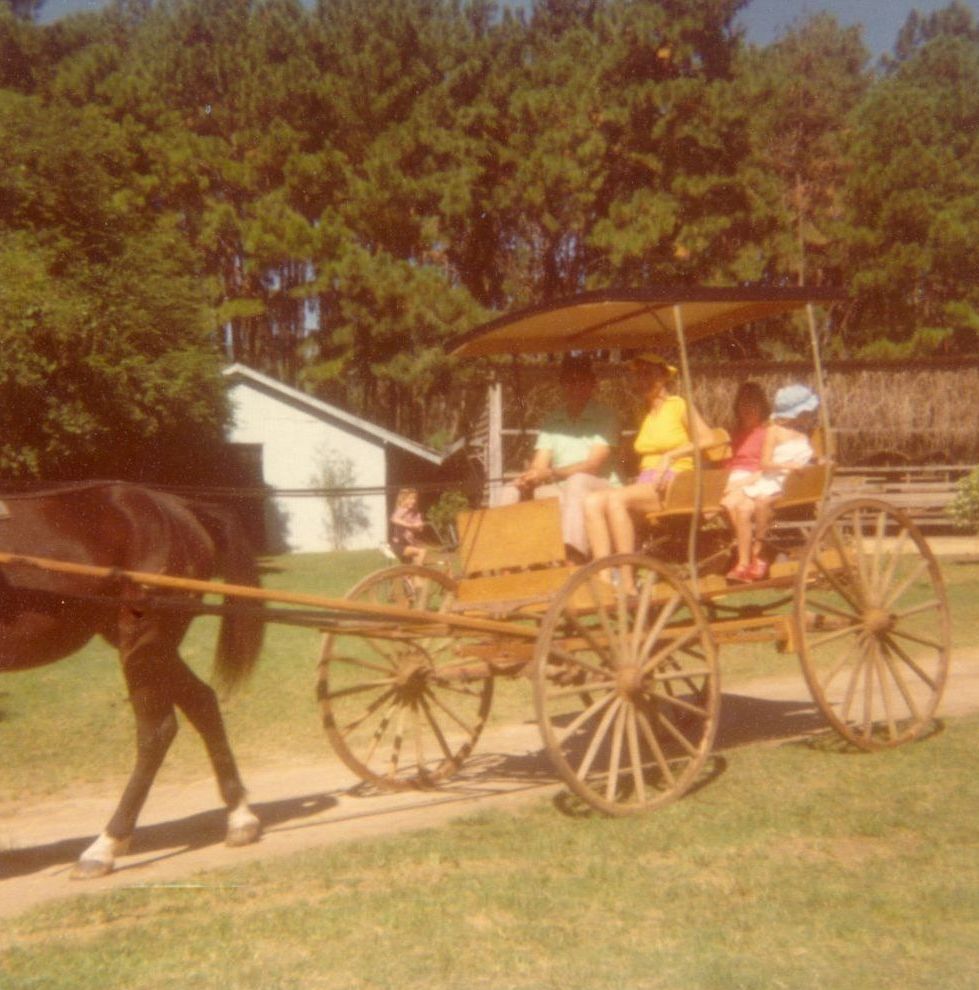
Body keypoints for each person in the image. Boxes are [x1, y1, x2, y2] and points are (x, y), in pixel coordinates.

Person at [584, 352, 713, 590]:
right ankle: (604, 578)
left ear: (663, 378)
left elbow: (708, 438)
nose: (642, 381)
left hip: (676, 482)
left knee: (615, 500)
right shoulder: (645, 413)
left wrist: (670, 456)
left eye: (648, 374)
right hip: (648, 481)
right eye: (638, 376)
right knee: (591, 501)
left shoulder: (678, 405)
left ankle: (627, 580)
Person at [500, 353, 620, 562]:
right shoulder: (552, 419)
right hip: (564, 489)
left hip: (601, 486)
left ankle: (572, 557)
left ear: (591, 384)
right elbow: (540, 463)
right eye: (568, 382)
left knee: (577, 481)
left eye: (580, 381)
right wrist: (529, 477)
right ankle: (507, 561)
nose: (574, 387)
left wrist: (552, 472)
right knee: (509, 490)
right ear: (562, 385)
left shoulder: (606, 416)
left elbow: (592, 466)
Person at [722, 383, 819, 582]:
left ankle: (757, 555)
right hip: (760, 479)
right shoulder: (752, 432)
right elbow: (754, 462)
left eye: (753, 404)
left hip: (772, 482)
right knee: (738, 507)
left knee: (748, 505)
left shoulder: (776, 432)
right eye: (743, 404)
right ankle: (744, 560)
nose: (747, 409)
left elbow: (766, 464)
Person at [389, 488, 428, 565]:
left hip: (409, 544)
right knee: (421, 552)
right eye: (410, 498)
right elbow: (394, 519)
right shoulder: (402, 509)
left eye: (415, 498)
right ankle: (418, 574)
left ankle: (412, 575)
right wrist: (410, 525)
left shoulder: (416, 514)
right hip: (399, 544)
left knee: (408, 571)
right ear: (403, 499)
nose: (413, 501)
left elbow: (420, 529)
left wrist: (418, 526)